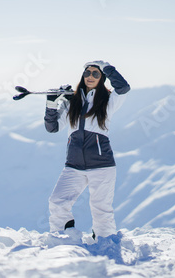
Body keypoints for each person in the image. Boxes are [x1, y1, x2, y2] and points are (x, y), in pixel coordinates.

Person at [44, 60, 130, 240]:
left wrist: (106, 66)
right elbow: (52, 128)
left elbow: (123, 87)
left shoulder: (108, 101)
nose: (90, 77)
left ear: (102, 78)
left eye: (95, 74)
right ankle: (63, 238)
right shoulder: (71, 102)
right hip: (74, 165)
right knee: (57, 202)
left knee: (101, 210)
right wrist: (52, 104)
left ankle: (105, 244)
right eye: (87, 73)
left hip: (102, 165)